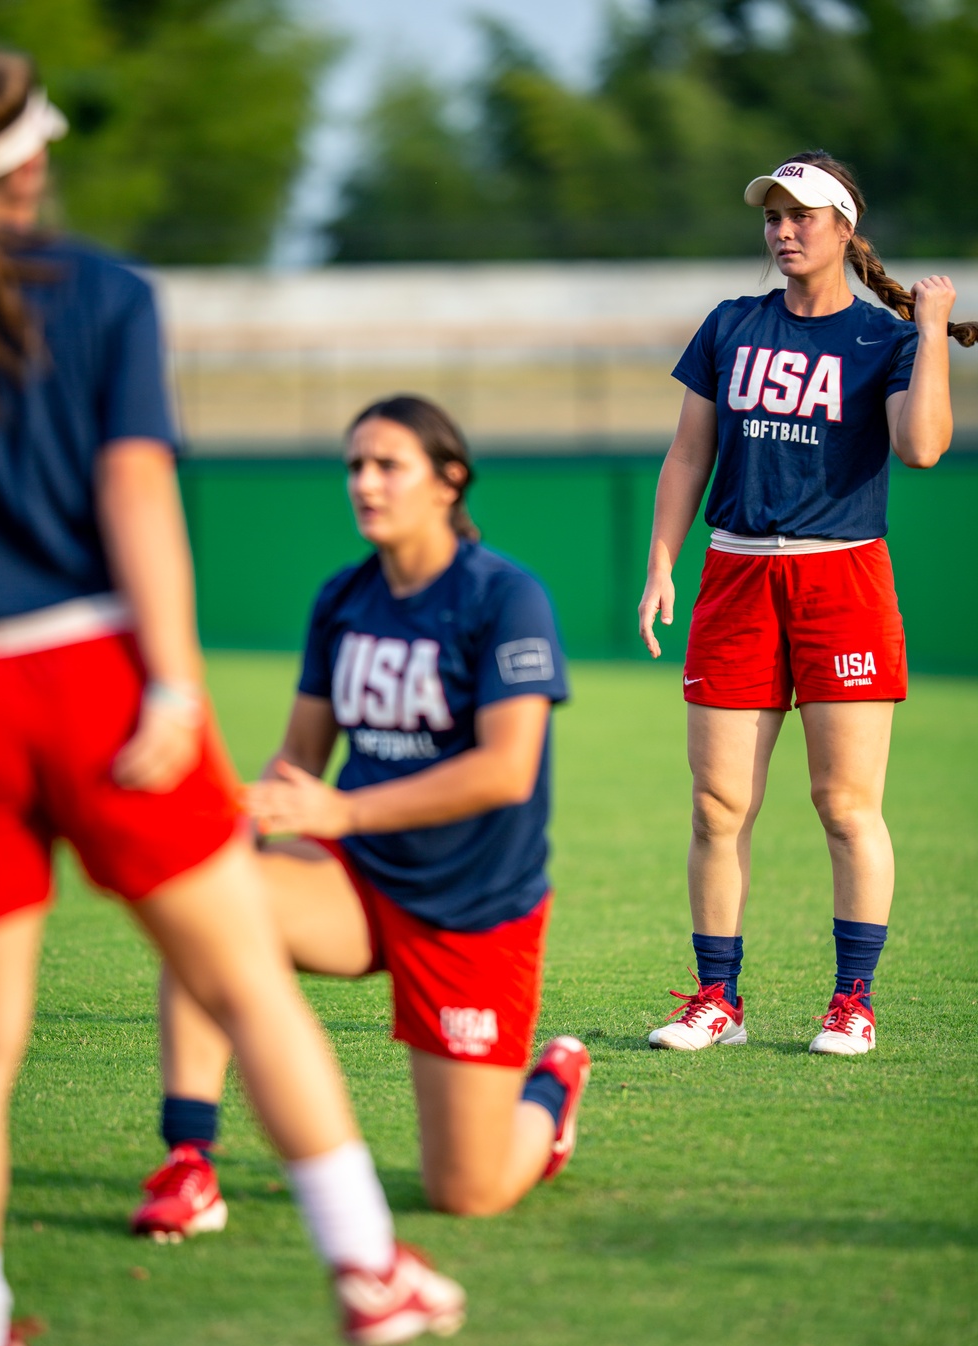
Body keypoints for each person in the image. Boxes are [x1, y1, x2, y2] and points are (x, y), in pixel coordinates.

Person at [0, 53, 465, 1346]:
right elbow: (133, 488)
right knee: (247, 983)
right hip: (88, 674)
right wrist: (176, 687)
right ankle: (370, 1270)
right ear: (33, 162)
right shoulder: (110, 295)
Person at [132, 394, 591, 1240]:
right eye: (354, 466)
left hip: (472, 906)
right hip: (359, 884)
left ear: (450, 482)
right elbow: (300, 755)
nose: (365, 483)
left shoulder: (505, 597)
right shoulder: (343, 597)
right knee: (211, 902)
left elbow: (504, 769)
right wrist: (244, 819)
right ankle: (189, 1163)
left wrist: (342, 809)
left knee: (469, 1191)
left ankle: (550, 1091)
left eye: (388, 465)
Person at [637, 150, 975, 1057]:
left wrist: (932, 330)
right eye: (774, 216)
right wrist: (664, 561)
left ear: (844, 228)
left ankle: (851, 1003)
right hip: (737, 575)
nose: (784, 231)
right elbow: (686, 456)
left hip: (843, 582)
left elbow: (924, 448)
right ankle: (719, 1001)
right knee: (716, 807)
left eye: (803, 216)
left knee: (845, 803)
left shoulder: (885, 338)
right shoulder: (730, 325)